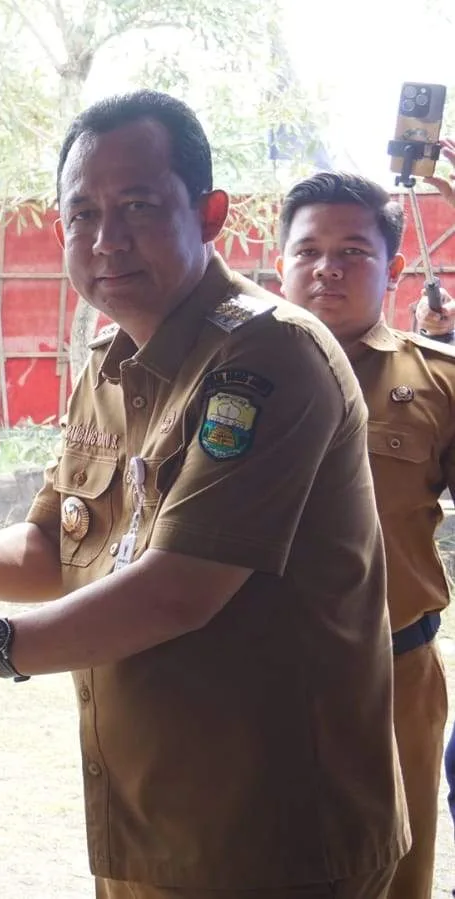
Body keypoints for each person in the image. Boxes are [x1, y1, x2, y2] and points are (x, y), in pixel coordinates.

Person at [0, 90, 407, 897]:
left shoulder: (269, 357)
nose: (105, 240)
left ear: (209, 214)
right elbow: (54, 546)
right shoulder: (110, 366)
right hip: (152, 821)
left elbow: (176, 590)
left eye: (137, 206)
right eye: (82, 214)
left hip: (274, 836)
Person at [273, 170, 455, 899]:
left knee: (396, 875)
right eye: (308, 249)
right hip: (245, 676)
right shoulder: (213, 370)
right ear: (279, 262)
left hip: (395, 677)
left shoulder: (438, 382)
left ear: (393, 267)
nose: (327, 267)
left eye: (353, 250)